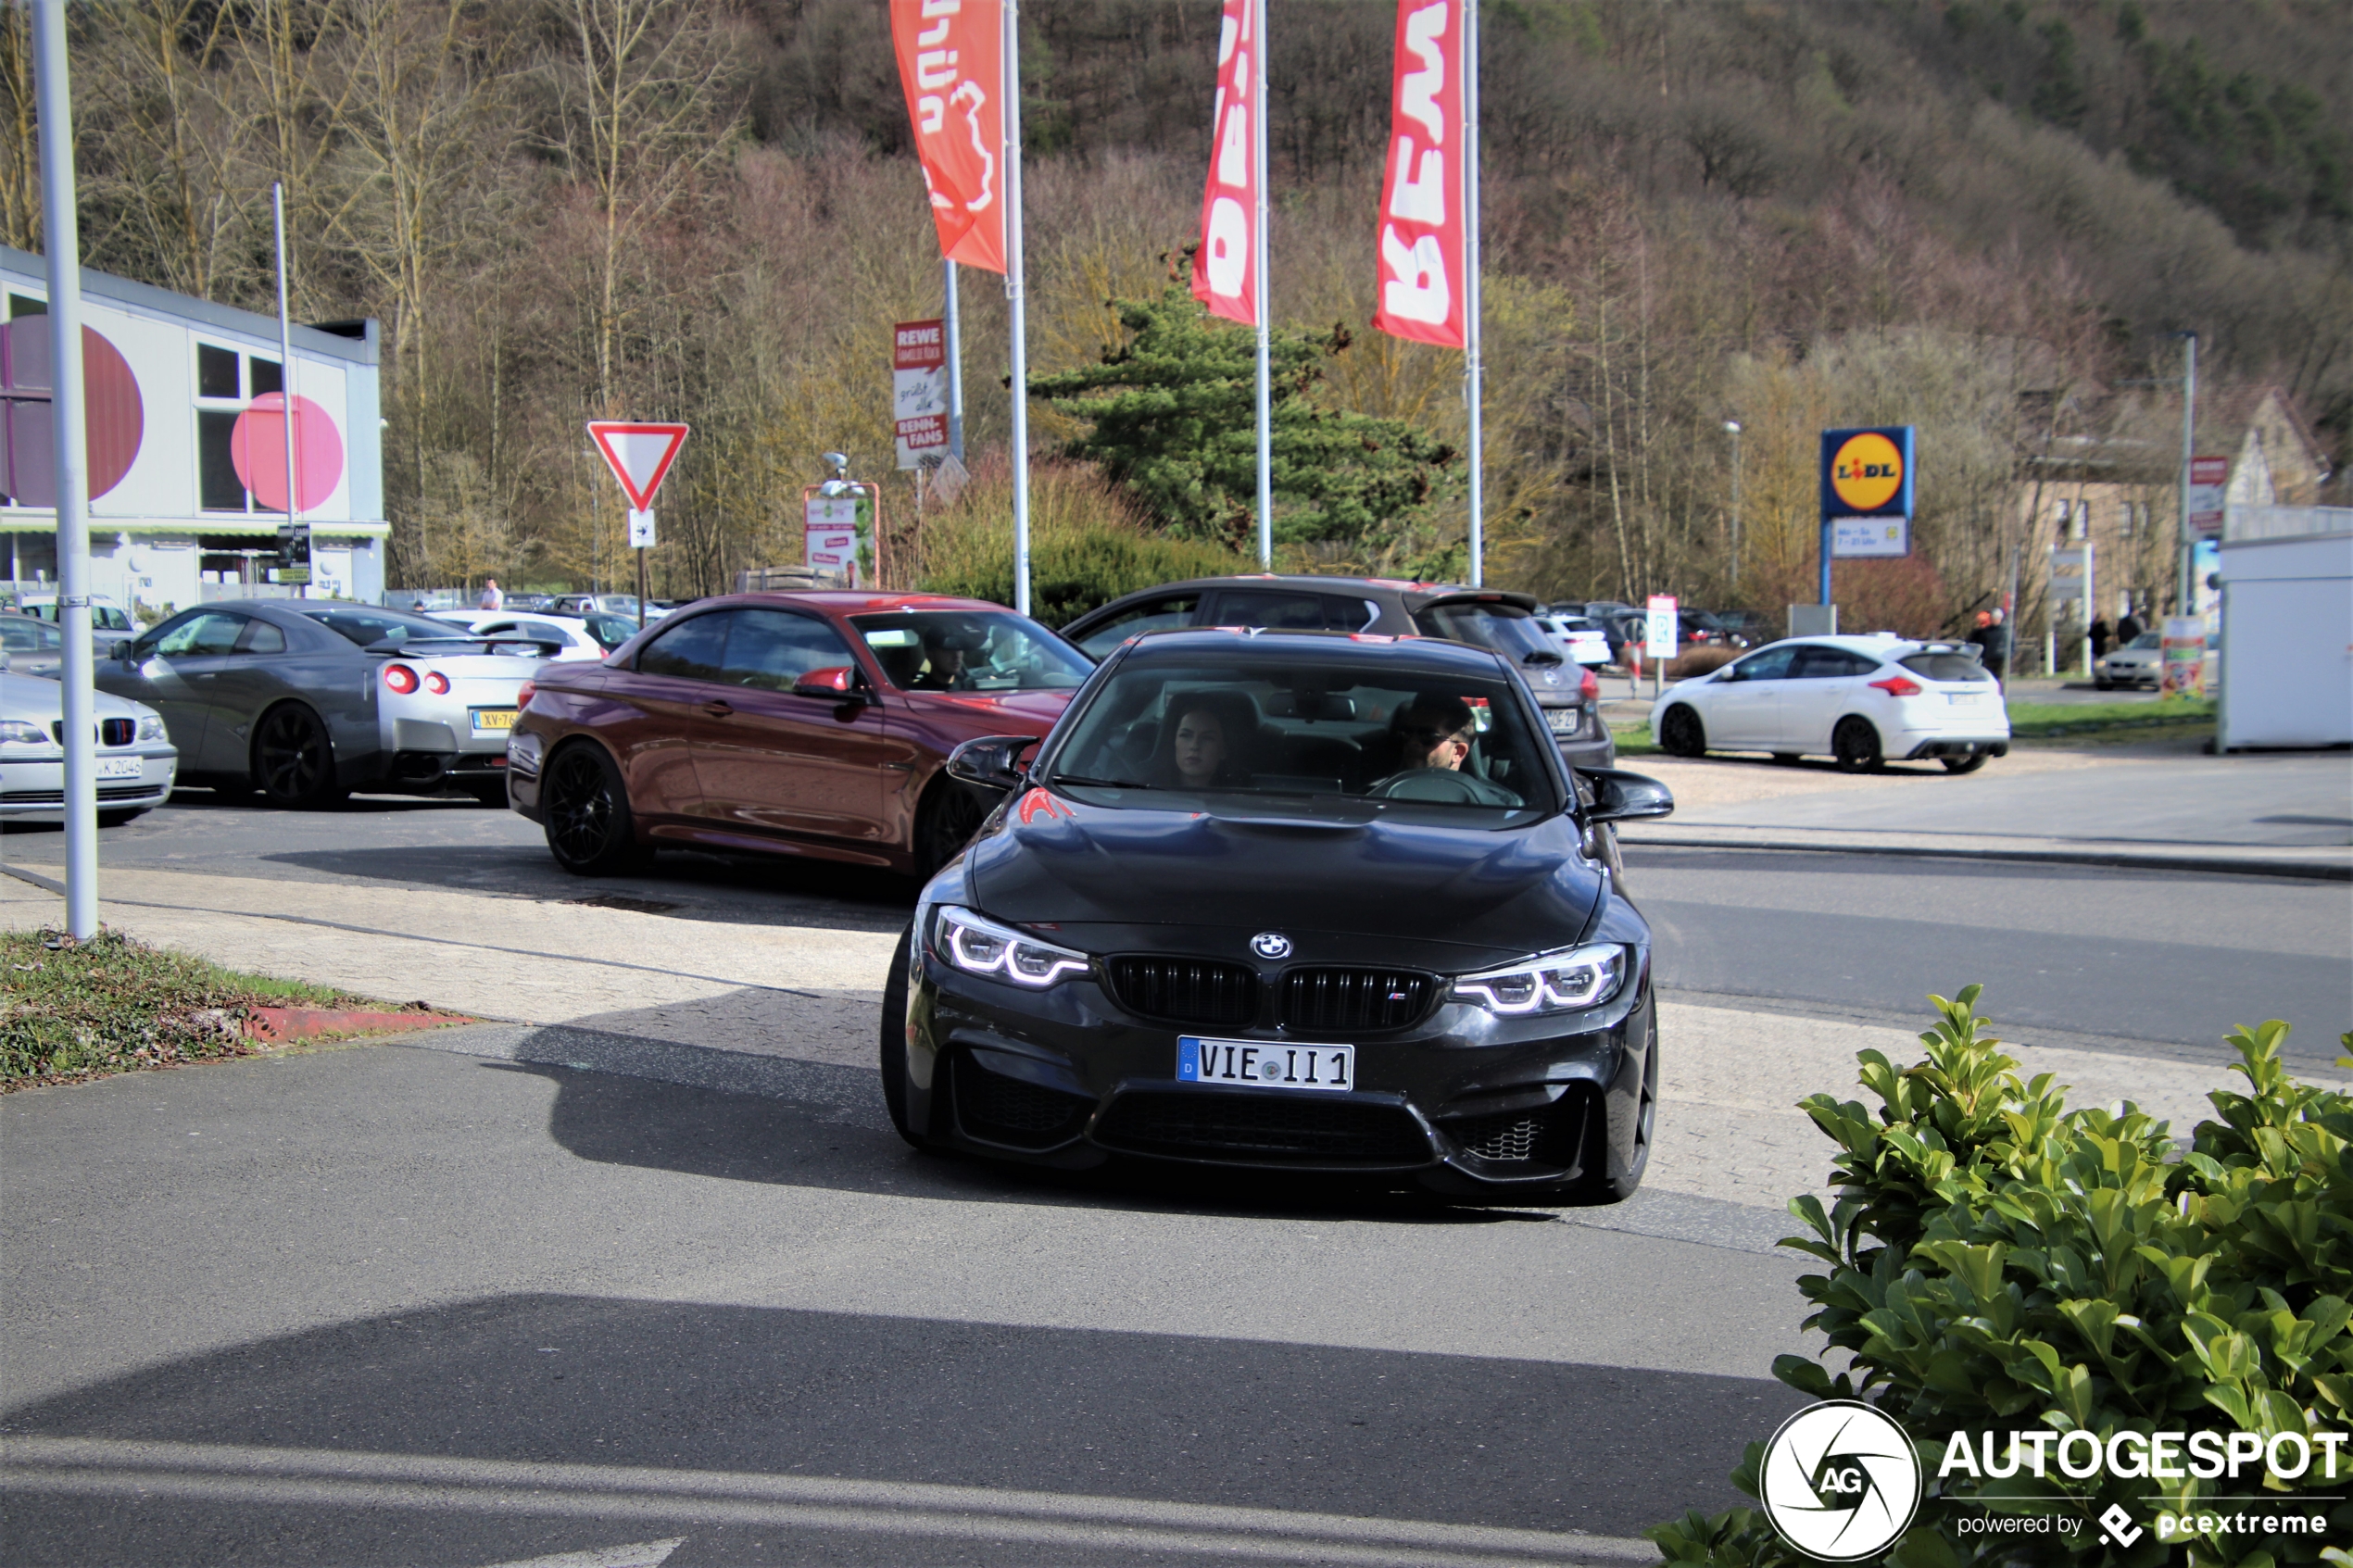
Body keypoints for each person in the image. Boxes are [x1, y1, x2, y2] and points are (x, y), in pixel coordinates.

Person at [1371, 696, 1519, 804]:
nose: (1413, 742)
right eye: (1407, 733)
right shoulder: (1370, 794)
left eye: (1427, 736)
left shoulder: (1494, 806)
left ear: (1458, 752)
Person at [1151, 701, 1250, 790]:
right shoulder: (1147, 787)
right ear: (1174, 741)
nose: (1194, 746)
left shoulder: (1244, 793)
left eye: (1207, 738)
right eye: (1185, 735)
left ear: (1223, 749)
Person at [908, 620, 986, 690]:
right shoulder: (918, 692)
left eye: (959, 649)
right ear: (930, 654)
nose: (956, 656)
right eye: (948, 650)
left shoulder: (970, 687)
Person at [1981, 607, 2011, 687]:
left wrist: (2009, 655)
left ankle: (2000, 693)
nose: (1992, 620)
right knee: (1990, 678)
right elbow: (1983, 643)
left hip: (2001, 658)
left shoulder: (2006, 631)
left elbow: (2012, 644)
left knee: (2000, 678)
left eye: (1994, 618)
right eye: (1991, 618)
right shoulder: (1987, 631)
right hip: (1989, 658)